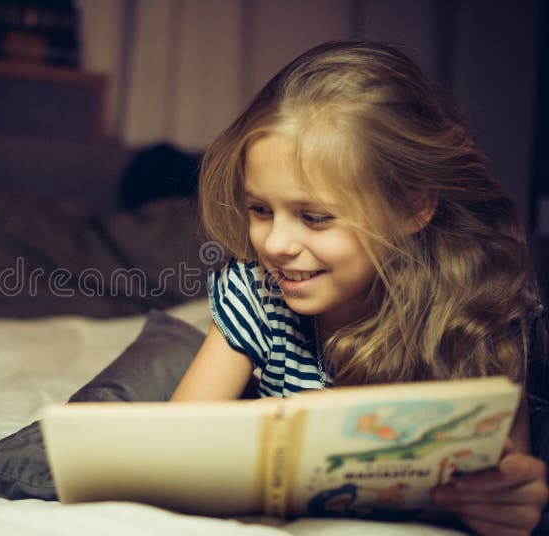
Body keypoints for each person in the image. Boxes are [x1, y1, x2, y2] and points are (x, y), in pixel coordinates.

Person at [170, 40, 548, 535]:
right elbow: (173, 447)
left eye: (315, 217)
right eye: (260, 209)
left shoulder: (476, 312)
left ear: (413, 207)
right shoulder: (256, 293)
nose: (276, 243)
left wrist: (510, 503)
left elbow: (506, 477)